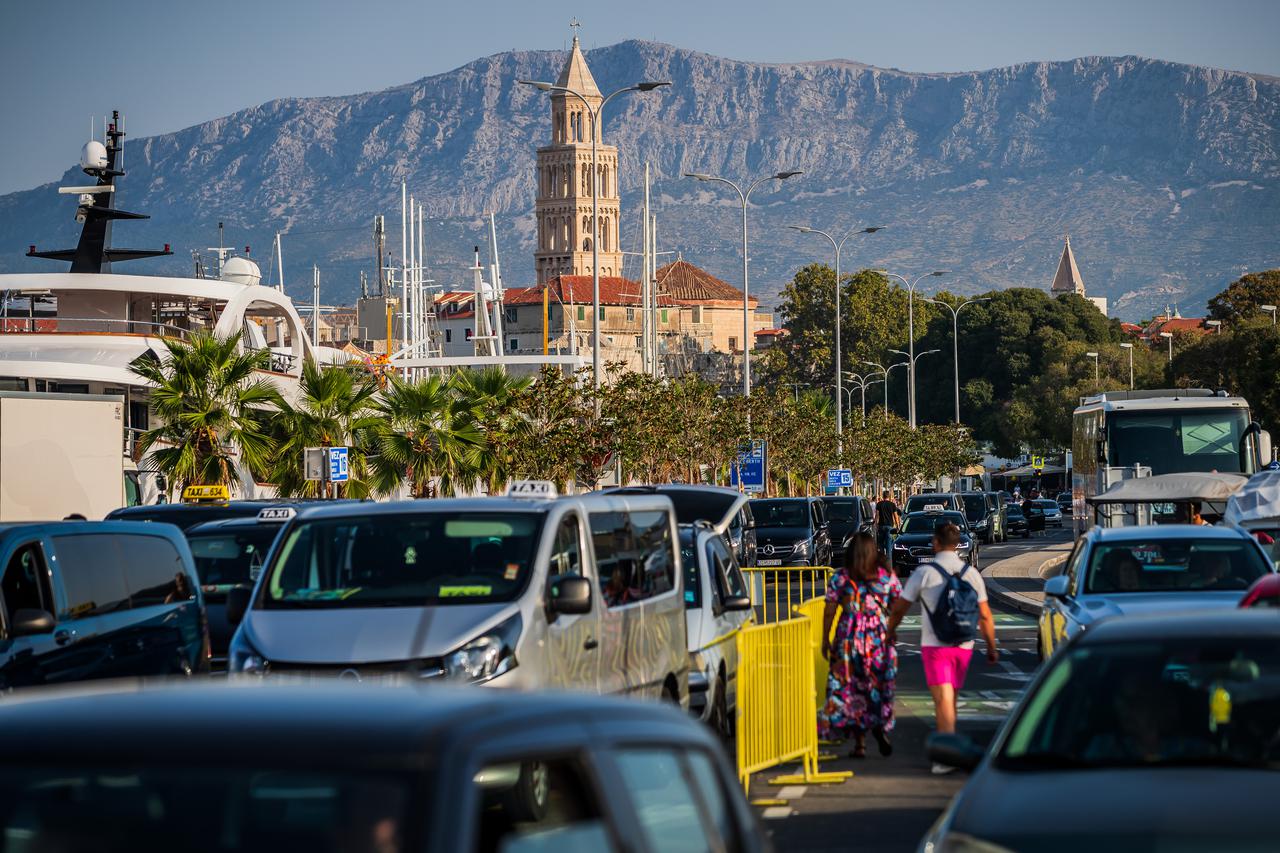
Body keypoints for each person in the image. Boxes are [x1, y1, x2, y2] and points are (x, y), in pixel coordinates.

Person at [886, 522, 998, 775]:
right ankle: (951, 745)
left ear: (935, 543)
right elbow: (985, 616)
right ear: (958, 544)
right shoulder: (972, 574)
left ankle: (946, 757)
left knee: (943, 700)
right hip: (964, 645)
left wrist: (890, 630)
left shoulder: (925, 573)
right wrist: (991, 647)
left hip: (935, 646)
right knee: (952, 698)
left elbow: (901, 606)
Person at [818, 532, 901, 759]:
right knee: (878, 686)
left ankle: (860, 744)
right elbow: (898, 605)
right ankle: (881, 725)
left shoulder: (841, 578)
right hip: (878, 640)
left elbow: (829, 610)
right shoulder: (886, 578)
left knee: (852, 689)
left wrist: (826, 638)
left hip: (849, 639)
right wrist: (889, 628)